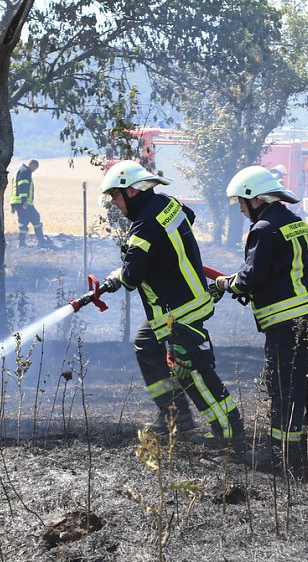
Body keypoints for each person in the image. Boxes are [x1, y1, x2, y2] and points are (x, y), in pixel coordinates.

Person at [100, 159, 244, 449]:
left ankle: (228, 431)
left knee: (192, 371)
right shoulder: (168, 203)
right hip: (190, 298)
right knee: (146, 343)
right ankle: (173, 412)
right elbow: (188, 216)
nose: (114, 202)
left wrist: (118, 275)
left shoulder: (143, 228)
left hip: (176, 310)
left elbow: (131, 278)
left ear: (132, 191)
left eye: (115, 195)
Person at [214, 165, 308, 470]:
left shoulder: (263, 228)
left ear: (255, 198)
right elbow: (278, 269)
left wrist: (226, 284)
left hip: (285, 321)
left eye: (241, 201)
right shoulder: (295, 222)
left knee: (284, 387)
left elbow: (251, 277)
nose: (240, 209)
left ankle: (282, 455)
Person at [10, 159, 51, 248]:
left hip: (18, 202)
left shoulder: (18, 170)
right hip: (23, 202)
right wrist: (24, 201)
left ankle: (24, 242)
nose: (34, 170)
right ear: (31, 164)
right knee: (33, 218)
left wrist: (12, 205)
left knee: (26, 220)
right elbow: (22, 186)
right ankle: (38, 241)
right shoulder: (25, 172)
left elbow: (14, 188)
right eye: (35, 168)